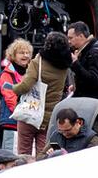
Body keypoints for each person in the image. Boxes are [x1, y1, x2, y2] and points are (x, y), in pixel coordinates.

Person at [13, 30, 72, 161]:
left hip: (30, 114)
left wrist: (14, 88)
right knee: (45, 155)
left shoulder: (38, 62)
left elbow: (25, 86)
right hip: (50, 119)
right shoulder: (65, 67)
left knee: (23, 154)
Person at [0, 38, 34, 155]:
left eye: (27, 53)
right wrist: (24, 114)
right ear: (13, 55)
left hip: (28, 121)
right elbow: (10, 97)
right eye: (21, 53)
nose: (25, 55)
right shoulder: (6, 75)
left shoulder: (32, 73)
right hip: (12, 122)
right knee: (10, 158)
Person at [67, 21, 98, 101]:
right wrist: (77, 86)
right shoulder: (86, 51)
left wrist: (75, 64)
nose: (68, 41)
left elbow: (93, 81)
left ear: (81, 36)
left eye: (71, 38)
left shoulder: (95, 54)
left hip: (93, 104)